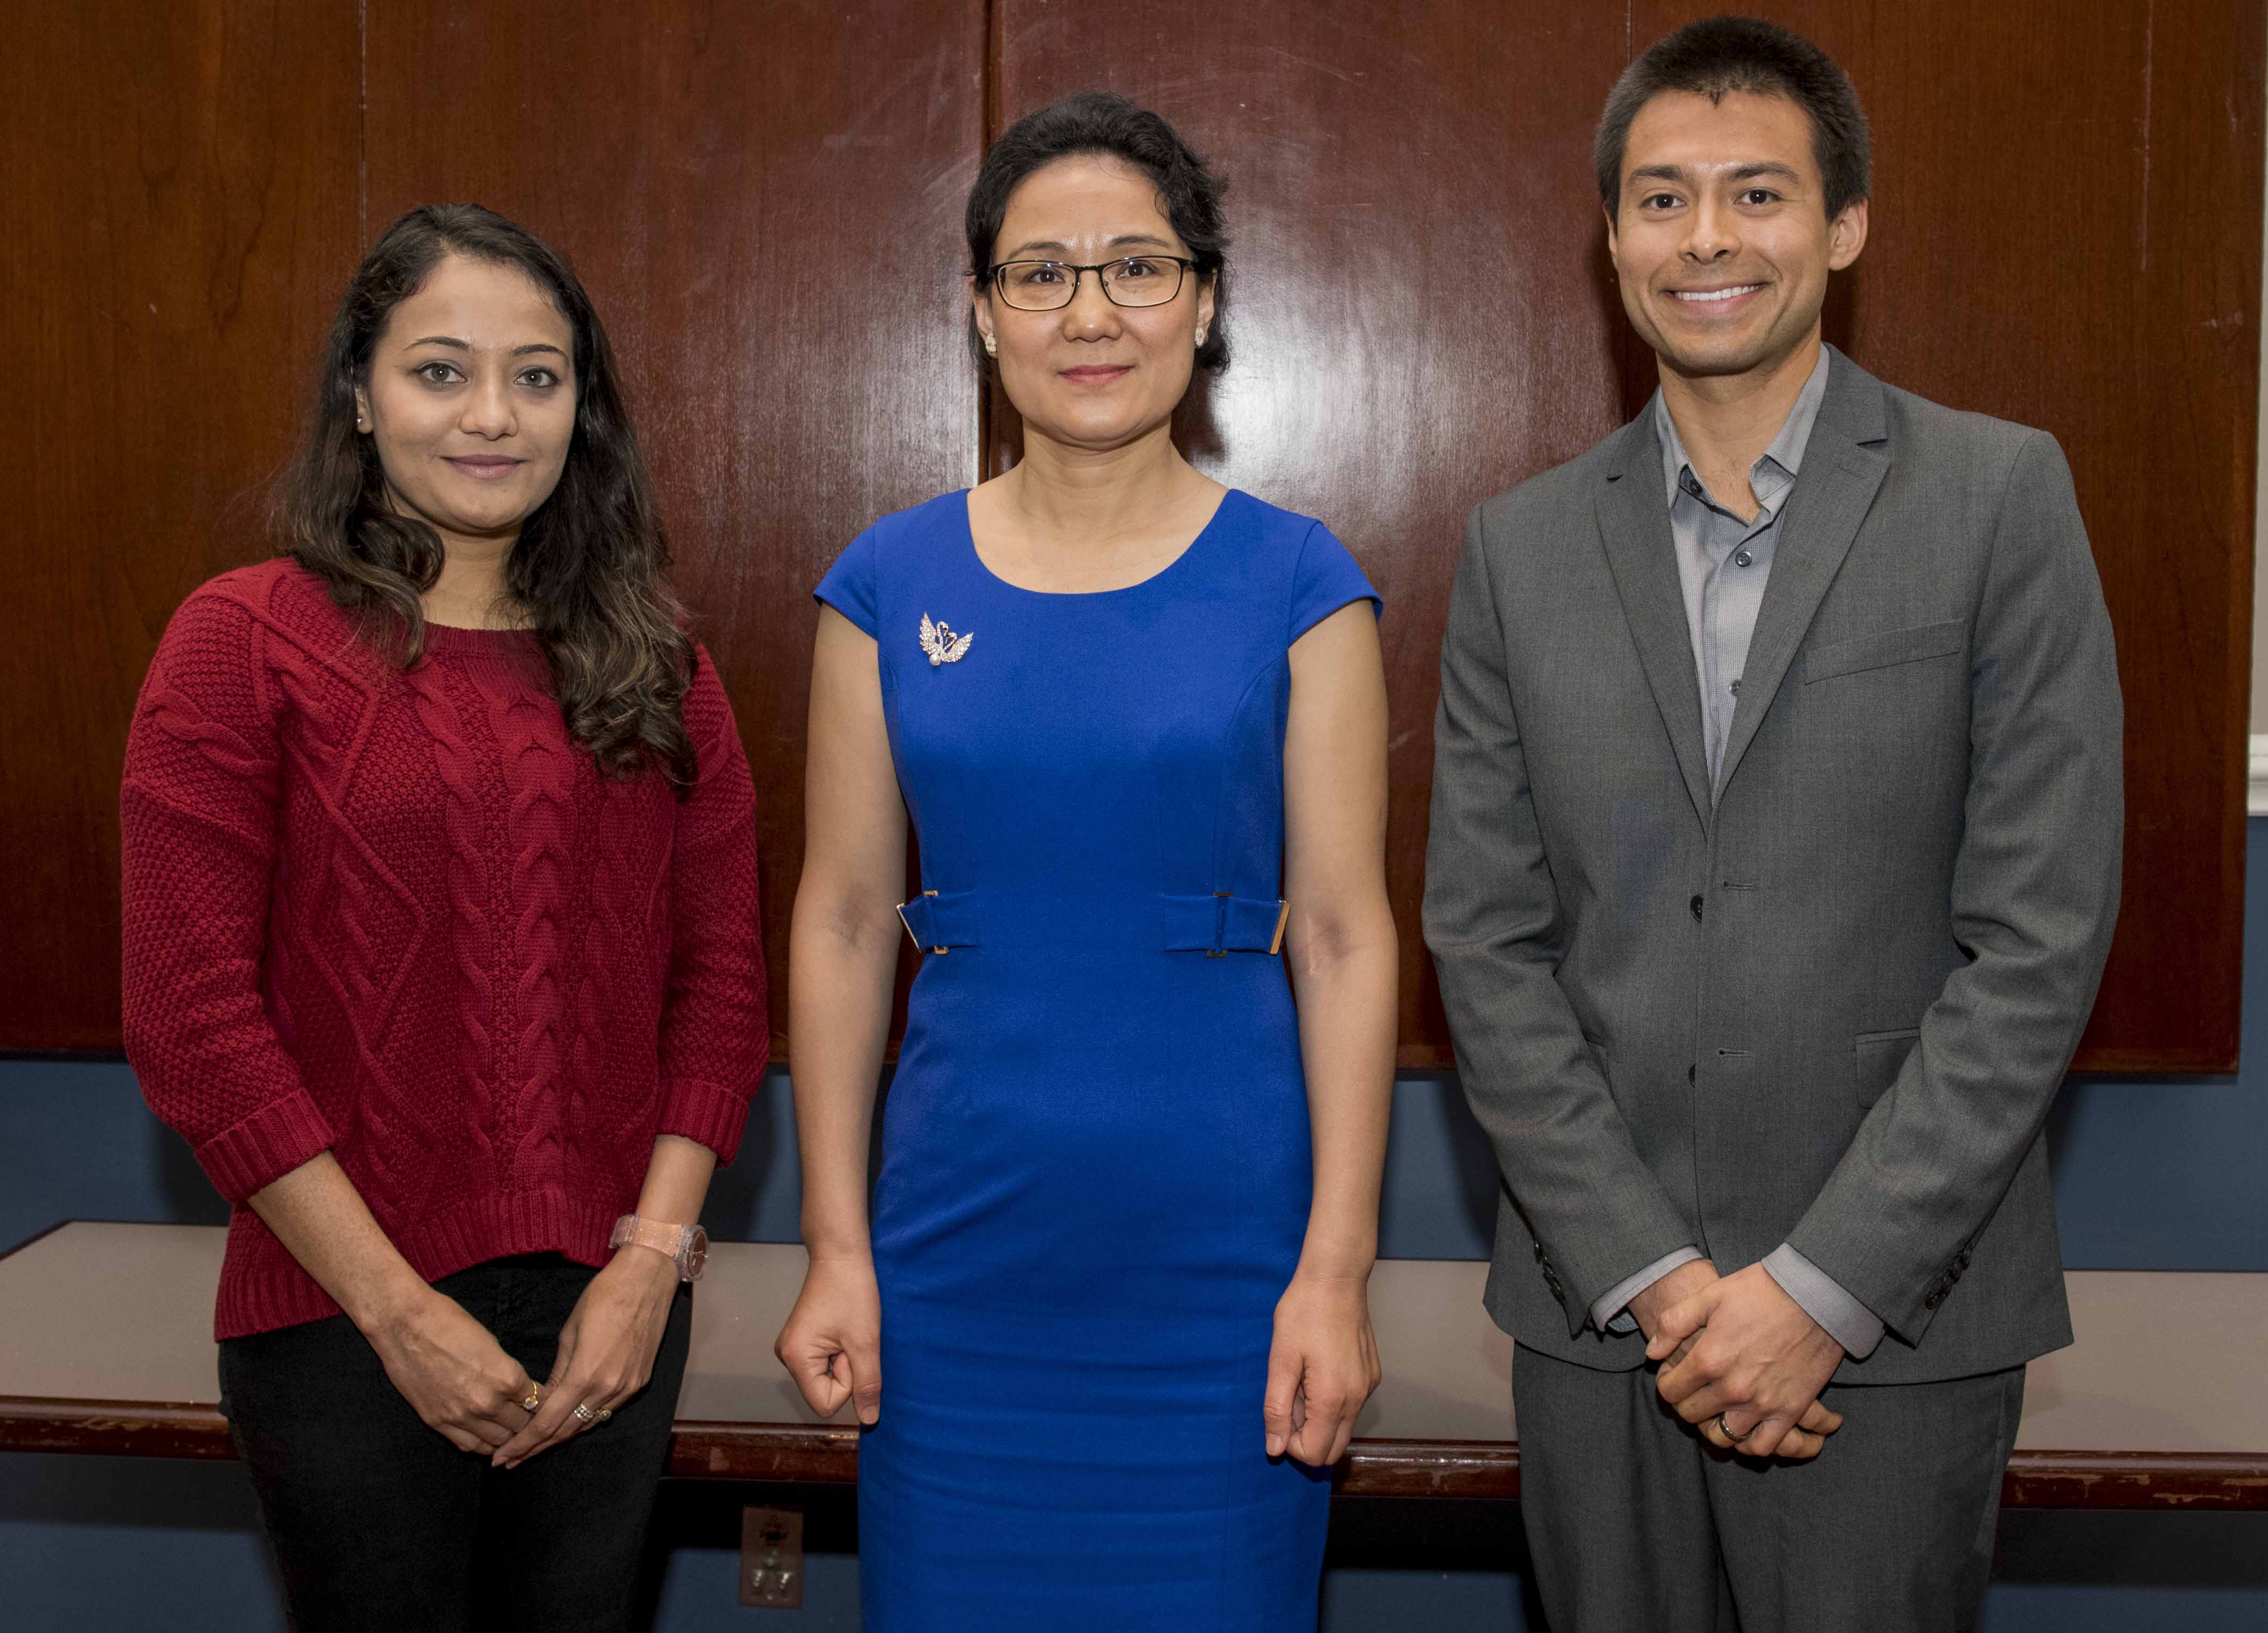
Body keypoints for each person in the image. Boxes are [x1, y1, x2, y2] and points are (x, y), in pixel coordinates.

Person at [1423, 18, 2123, 1631]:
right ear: (1611, 241)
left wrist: (1815, 1291)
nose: (1708, 239)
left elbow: (2036, 939)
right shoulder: (1520, 549)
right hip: (1602, 1320)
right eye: (1661, 200)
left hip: (1896, 1316)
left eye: (1756, 194)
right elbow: (1486, 937)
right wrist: (1662, 1284)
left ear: (1843, 225)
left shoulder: (1998, 496)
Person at [774, 91, 1395, 1628]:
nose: (1089, 310)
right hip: (954, 1261)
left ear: (1205, 301)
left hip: (1224, 1268)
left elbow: (1340, 935)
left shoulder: (1303, 581)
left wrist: (1335, 1273)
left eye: (1137, 265)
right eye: (1039, 271)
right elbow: (846, 922)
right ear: (983, 315)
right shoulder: (881, 581)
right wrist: (832, 1248)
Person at [121, 203, 768, 1632]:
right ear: (359, 392)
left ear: (580, 410)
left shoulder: (661, 666)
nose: (493, 415)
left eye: (537, 376)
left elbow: (720, 991)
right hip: (342, 1321)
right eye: (440, 370)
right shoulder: (241, 642)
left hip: (614, 1317)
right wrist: (399, 1313)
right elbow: (194, 1021)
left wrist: (648, 1270)